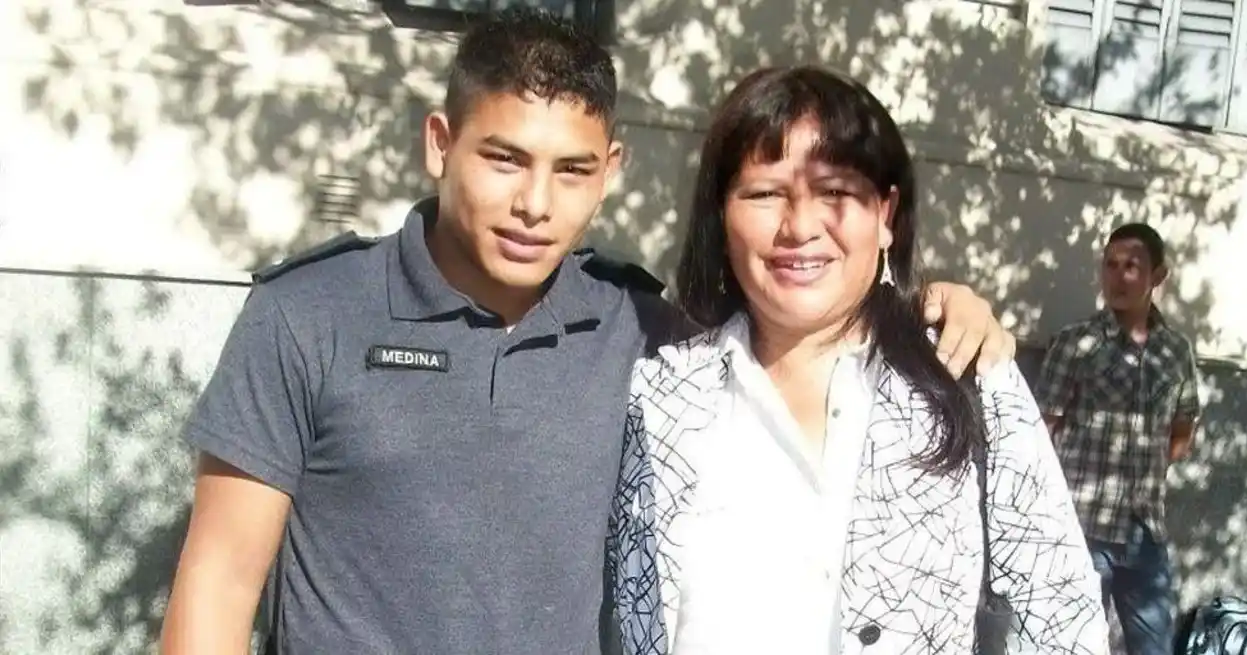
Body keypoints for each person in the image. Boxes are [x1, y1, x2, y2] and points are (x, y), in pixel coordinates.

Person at [159, 10, 1017, 654]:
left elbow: (799, 316)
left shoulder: (637, 328)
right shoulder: (307, 315)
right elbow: (218, 584)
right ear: (440, 144)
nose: (536, 204)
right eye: (504, 159)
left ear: (609, 172)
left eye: (571, 171)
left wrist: (930, 303)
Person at [607, 65, 1109, 655]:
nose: (799, 227)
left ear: (886, 215)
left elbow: (1060, 615)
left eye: (836, 192)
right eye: (765, 193)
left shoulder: (965, 375)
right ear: (722, 215)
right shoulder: (657, 396)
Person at [1036, 223, 1202, 655]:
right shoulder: (1077, 344)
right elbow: (1041, 432)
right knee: (1068, 645)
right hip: (1082, 530)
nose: (1119, 277)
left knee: (1155, 648)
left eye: (1132, 266)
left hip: (1145, 533)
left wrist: (1147, 471)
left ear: (1157, 276)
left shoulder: (1176, 351)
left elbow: (1183, 425)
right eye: (1111, 265)